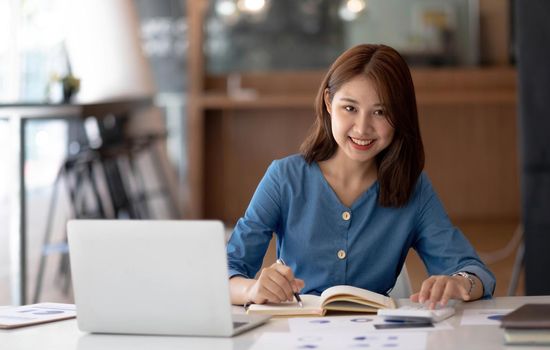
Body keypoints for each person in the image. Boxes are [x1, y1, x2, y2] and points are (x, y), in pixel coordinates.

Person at [226, 44, 495, 309]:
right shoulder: (284, 178)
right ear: (329, 102)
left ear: (399, 116)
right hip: (297, 332)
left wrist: (461, 283)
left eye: (380, 112)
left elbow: (474, 272)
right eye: (350, 108)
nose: (363, 128)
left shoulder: (414, 190)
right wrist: (252, 288)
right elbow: (226, 273)